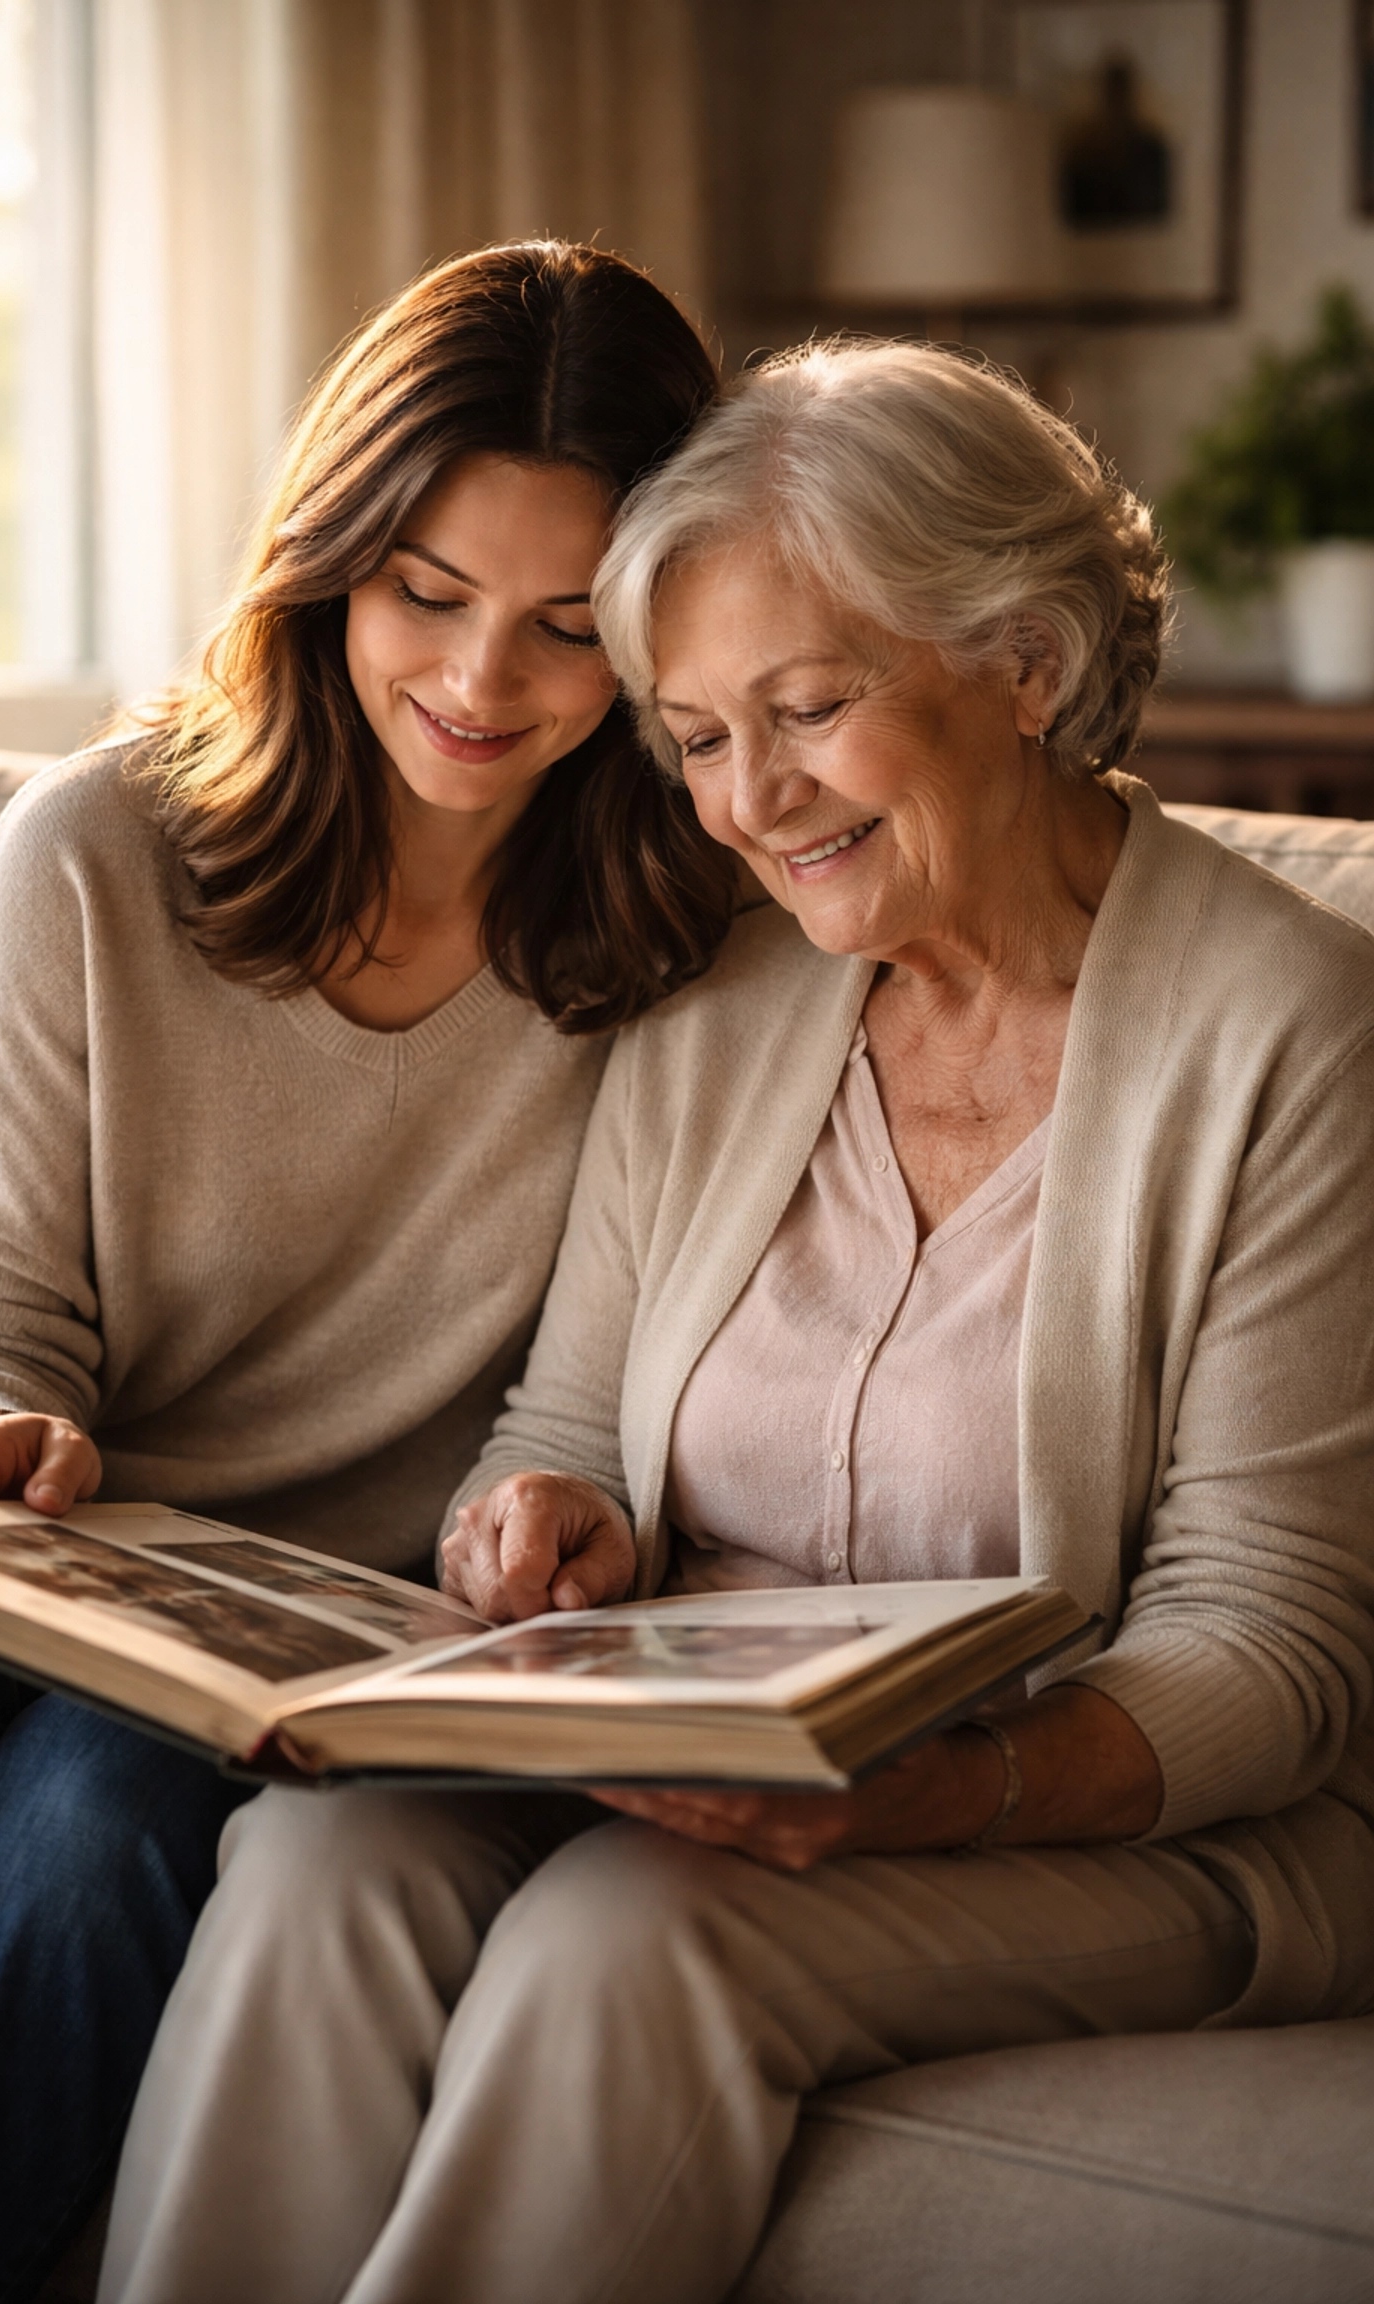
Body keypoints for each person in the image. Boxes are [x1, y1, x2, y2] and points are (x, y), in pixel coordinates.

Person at [98, 340, 1374, 2304]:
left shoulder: (1296, 1036)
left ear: (1022, 665)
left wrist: (929, 1796)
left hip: (1130, 1810)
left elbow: (1271, 1649)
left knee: (633, 1938)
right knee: (311, 1867)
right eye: (693, 737)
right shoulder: (719, 1015)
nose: (750, 804)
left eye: (811, 710)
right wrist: (540, 1518)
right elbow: (576, 1422)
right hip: (718, 1757)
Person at [0, 240, 731, 2304]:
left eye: (570, 629)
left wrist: (547, 1520)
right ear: (326, 557)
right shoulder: (95, 853)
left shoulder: (681, 958)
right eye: (427, 595)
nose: (482, 685)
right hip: (2, 1529)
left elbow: (581, 1388)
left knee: (89, 1835)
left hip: (314, 1629)